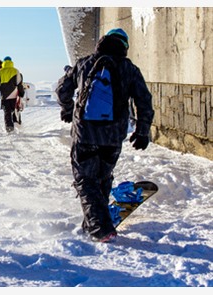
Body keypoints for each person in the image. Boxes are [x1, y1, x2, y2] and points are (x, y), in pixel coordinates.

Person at [56, 28, 154, 242]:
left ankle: (100, 228)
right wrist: (142, 131)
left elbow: (62, 88)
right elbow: (144, 101)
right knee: (101, 178)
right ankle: (92, 223)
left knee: (85, 180)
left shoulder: (84, 64)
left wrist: (66, 108)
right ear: (125, 47)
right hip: (112, 137)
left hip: (85, 134)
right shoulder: (129, 69)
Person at [0, 56, 25, 133]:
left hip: (4, 95)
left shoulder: (0, 71)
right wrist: (21, 93)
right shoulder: (16, 71)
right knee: (15, 109)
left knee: (7, 111)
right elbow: (19, 84)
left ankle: (9, 128)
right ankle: (16, 123)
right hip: (14, 94)